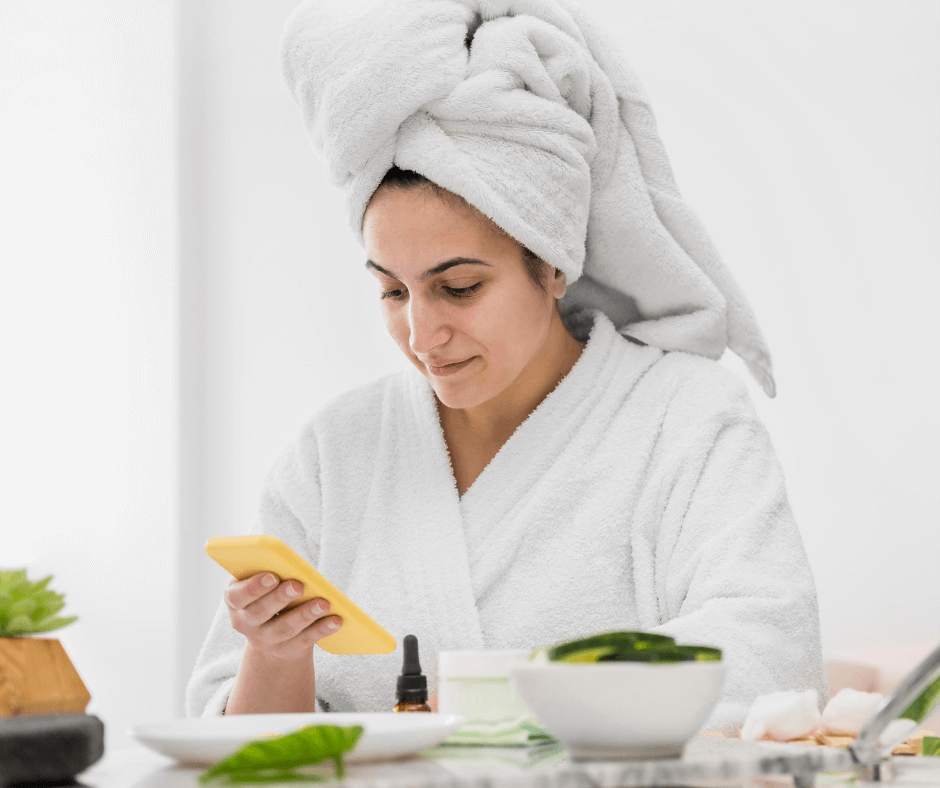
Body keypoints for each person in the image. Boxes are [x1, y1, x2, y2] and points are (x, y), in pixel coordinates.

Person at [185, 0, 827, 732]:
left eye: (459, 287)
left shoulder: (685, 418)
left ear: (552, 265)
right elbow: (245, 752)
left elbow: (772, 655)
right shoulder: (337, 453)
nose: (423, 334)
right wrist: (274, 654)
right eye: (393, 290)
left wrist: (495, 697)